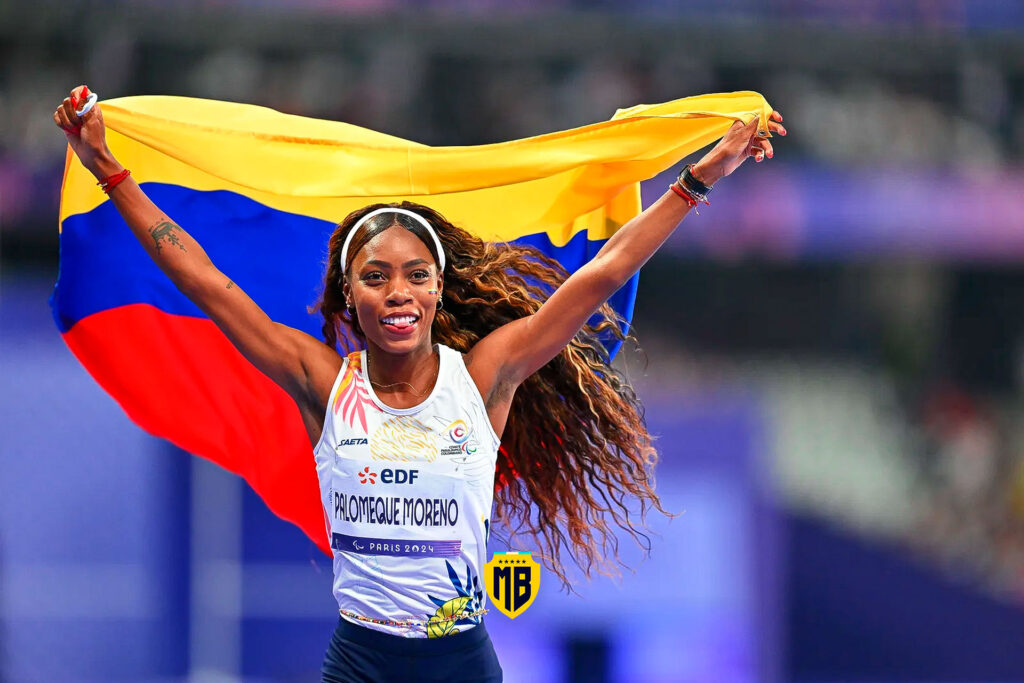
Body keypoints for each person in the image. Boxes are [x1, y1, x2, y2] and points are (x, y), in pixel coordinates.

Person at [54, 84, 785, 682]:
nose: (397, 292)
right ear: (349, 296)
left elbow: (604, 271)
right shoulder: (320, 381)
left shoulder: (488, 375)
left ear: (438, 289)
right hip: (360, 662)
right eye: (375, 277)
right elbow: (205, 282)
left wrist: (701, 177)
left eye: (415, 276)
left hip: (460, 664)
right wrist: (110, 171)